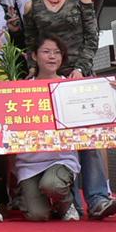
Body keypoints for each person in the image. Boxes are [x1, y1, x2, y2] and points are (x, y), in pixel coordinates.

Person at [21, 0, 113, 218]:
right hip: (47, 83)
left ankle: (97, 198)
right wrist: (33, 72)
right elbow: (30, 43)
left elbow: (91, 37)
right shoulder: (32, 5)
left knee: (89, 138)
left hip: (78, 80)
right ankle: (69, 202)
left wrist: (81, 69)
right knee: (58, 142)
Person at [13, 36, 83, 221]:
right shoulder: (20, 89)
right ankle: (43, 203)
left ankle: (66, 204)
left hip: (61, 159)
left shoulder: (71, 87)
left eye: (57, 52)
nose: (52, 57)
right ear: (34, 56)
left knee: (52, 185)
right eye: (46, 52)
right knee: (38, 216)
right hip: (29, 163)